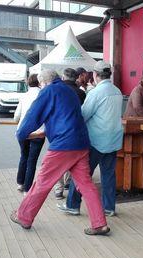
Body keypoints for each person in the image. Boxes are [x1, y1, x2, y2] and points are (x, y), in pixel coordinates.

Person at [10, 69, 110, 235]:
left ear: (45, 82)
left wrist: (21, 134)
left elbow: (33, 115)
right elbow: (64, 117)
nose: (41, 87)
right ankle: (100, 223)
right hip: (81, 143)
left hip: (64, 145)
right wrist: (44, 132)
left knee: (43, 181)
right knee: (86, 184)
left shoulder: (49, 90)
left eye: (41, 85)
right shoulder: (70, 91)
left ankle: (24, 216)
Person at [58, 60, 123, 217]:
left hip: (96, 140)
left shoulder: (95, 93)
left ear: (95, 74)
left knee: (82, 174)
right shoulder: (117, 91)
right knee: (108, 175)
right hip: (113, 139)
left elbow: (83, 115)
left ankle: (73, 205)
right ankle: (109, 208)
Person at [53, 68, 86, 199]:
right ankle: (67, 182)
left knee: (57, 161)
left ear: (63, 77)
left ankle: (58, 189)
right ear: (76, 78)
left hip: (58, 131)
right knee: (71, 159)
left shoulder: (57, 91)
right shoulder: (81, 93)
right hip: (76, 131)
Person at [14, 74, 45, 195]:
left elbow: (17, 116)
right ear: (39, 82)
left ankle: (20, 183)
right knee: (32, 160)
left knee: (24, 156)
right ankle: (27, 188)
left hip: (22, 130)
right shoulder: (42, 94)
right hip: (37, 132)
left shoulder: (24, 96)